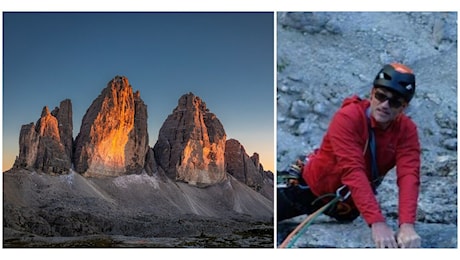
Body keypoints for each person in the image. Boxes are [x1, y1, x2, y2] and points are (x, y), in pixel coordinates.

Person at [277, 63, 421, 248]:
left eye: (393, 102)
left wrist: (407, 225)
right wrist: (377, 223)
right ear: (372, 93)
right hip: (308, 190)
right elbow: (352, 170)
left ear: (404, 107)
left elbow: (409, 176)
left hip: (348, 207)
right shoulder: (348, 118)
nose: (384, 105)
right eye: (380, 96)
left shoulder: (407, 131)